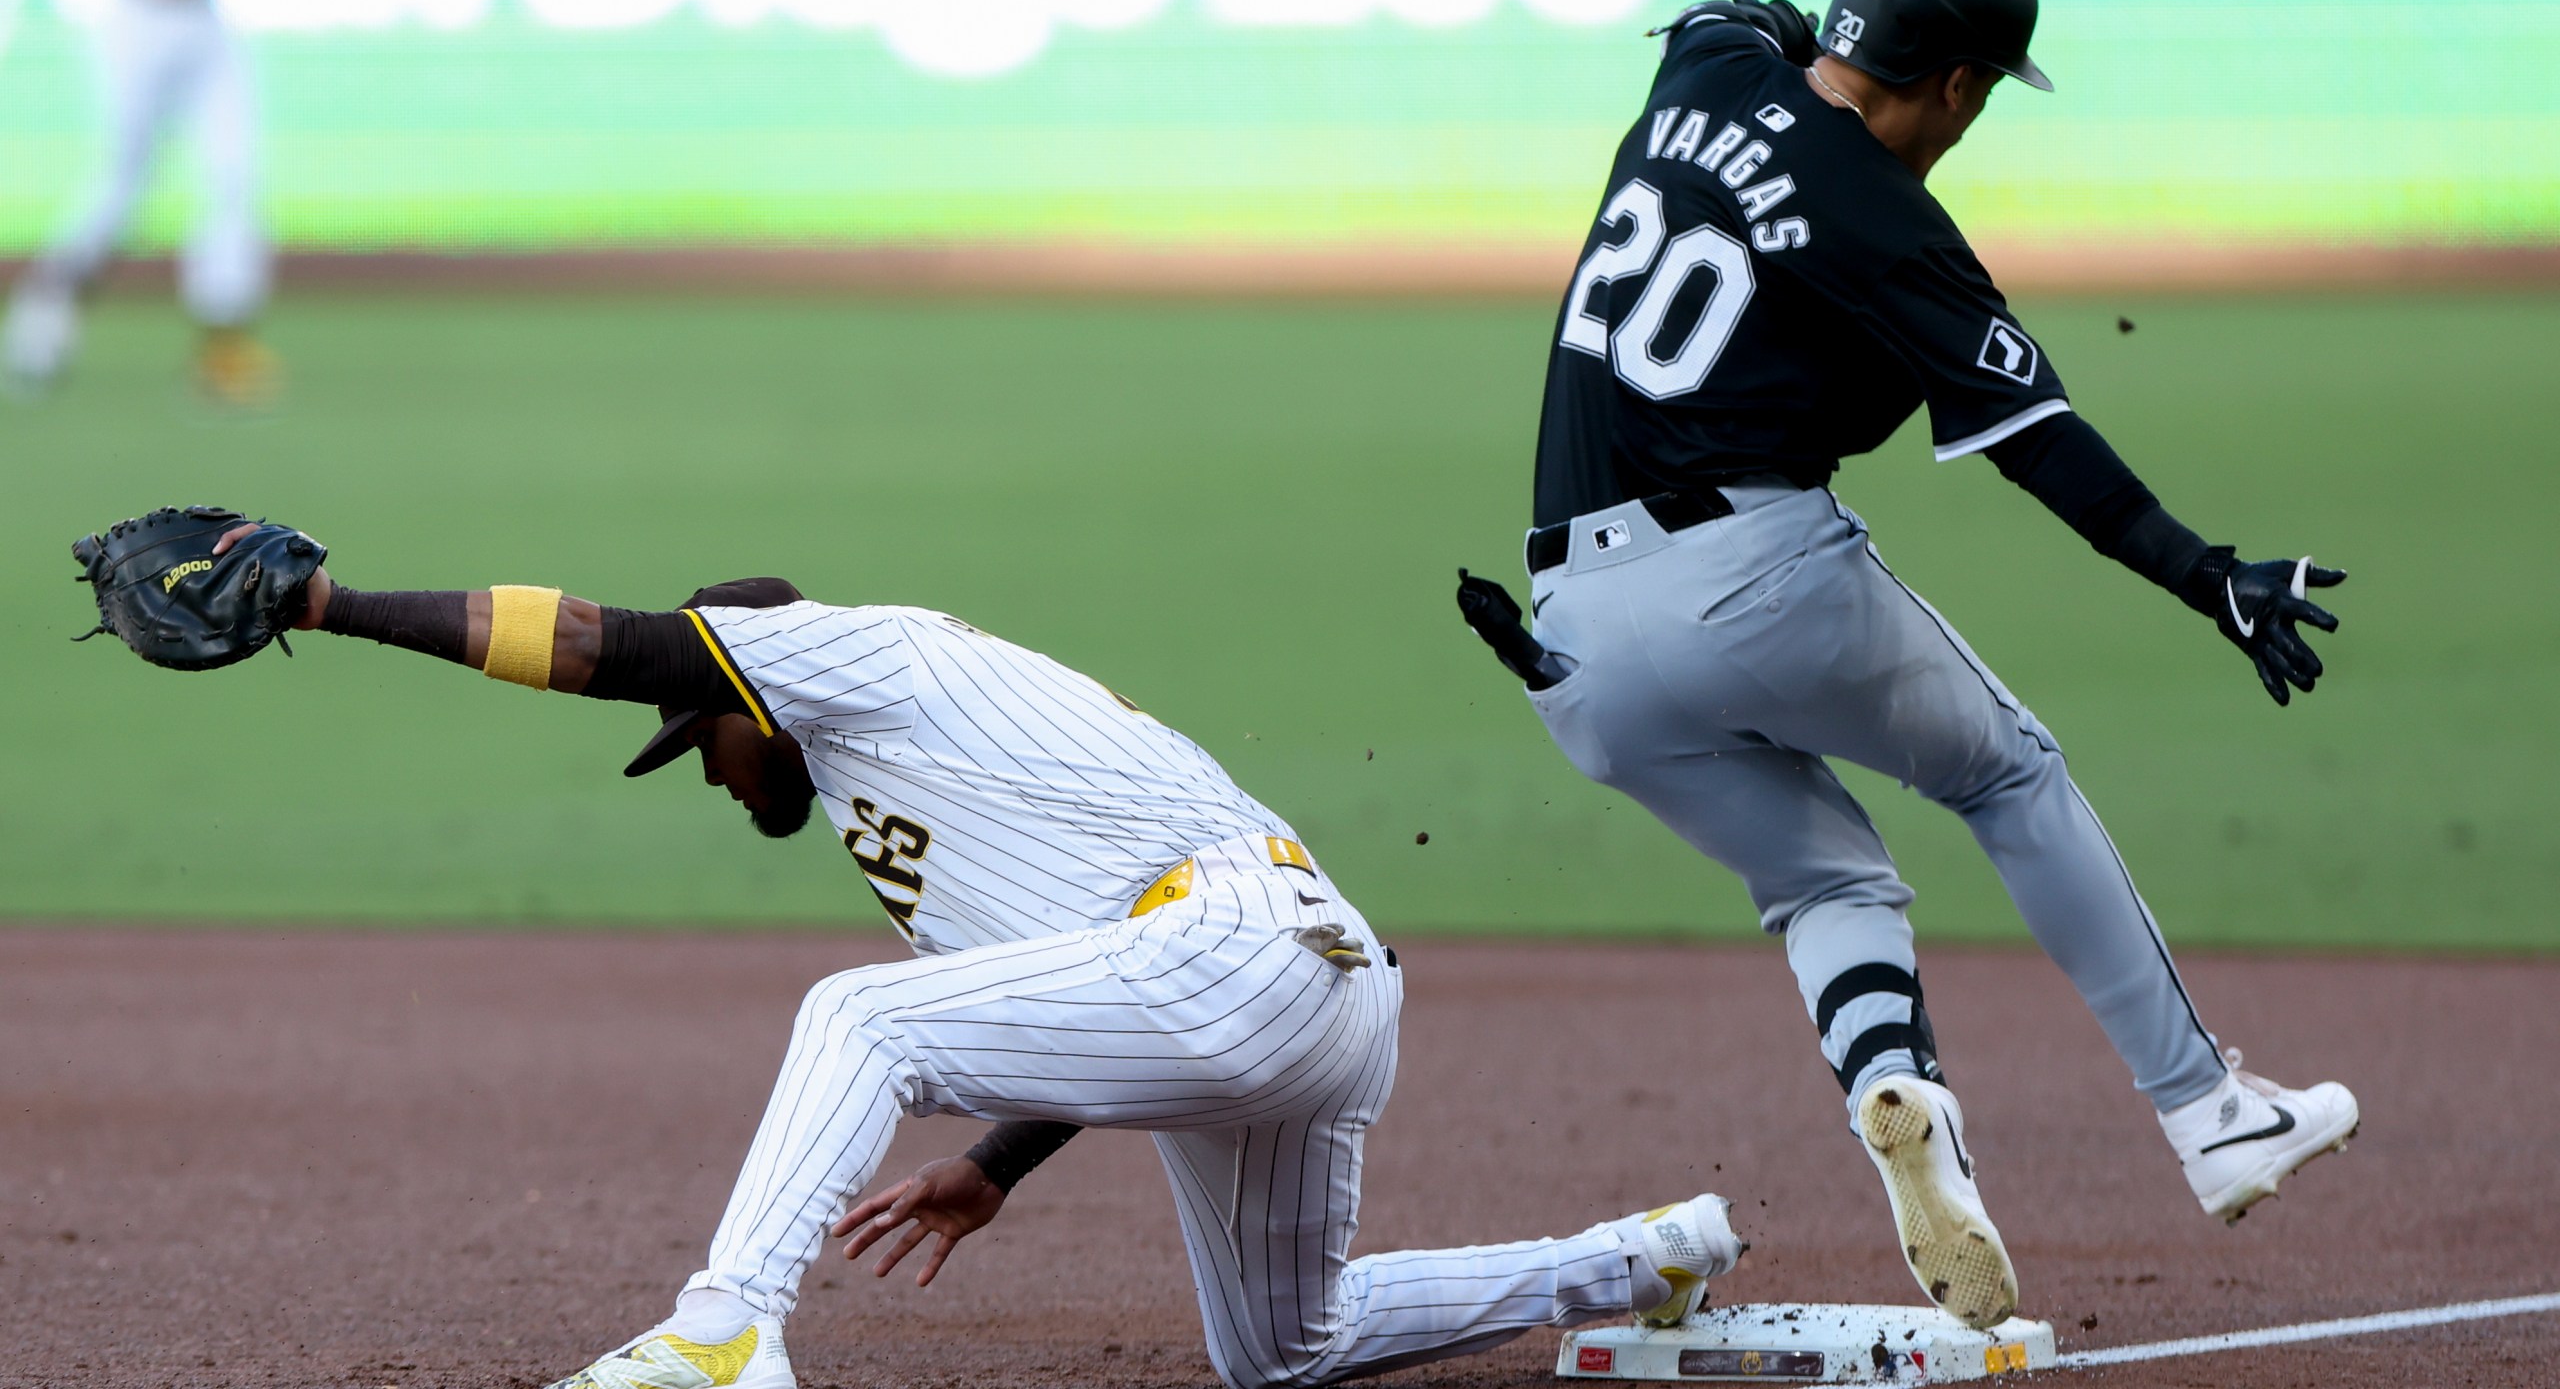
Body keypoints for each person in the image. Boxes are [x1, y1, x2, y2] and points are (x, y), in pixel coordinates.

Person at [202, 523, 1748, 1389]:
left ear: (757, 689)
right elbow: (1103, 989)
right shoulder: (906, 803)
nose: (711, 769)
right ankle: (1638, 1260)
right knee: (1285, 1349)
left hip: (1241, 944)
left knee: (855, 1017)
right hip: (1312, 985)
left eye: (708, 740)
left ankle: (728, 1330)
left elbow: (608, 647)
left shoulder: (845, 655)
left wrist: (333, 608)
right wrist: (998, 1164)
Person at [1467, 0, 2358, 1331]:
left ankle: (1901, 1088)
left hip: (1570, 641)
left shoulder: (1707, 67)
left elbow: (1728, 16)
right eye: (1982, 92)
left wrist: (1786, 46)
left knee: (1830, 882)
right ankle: (2210, 1111)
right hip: (1753, 574)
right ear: (1954, 85)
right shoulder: (1890, 226)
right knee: (2009, 775)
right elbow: (2045, 447)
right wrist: (2208, 578)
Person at [3, 0, 276, 404]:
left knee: (234, 180)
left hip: (205, 17)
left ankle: (224, 348)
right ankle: (46, 310)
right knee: (121, 187)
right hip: (139, 17)